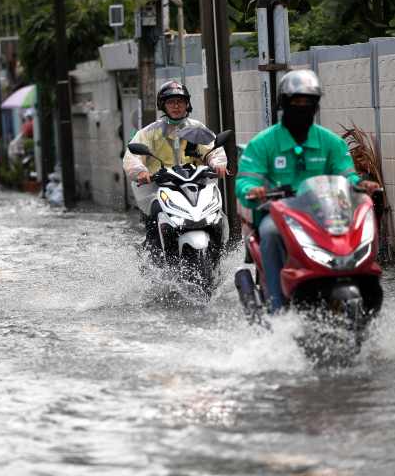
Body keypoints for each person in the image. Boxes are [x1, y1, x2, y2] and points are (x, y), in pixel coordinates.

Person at [236, 69, 380, 313]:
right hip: (278, 213)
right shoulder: (262, 144)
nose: (302, 107)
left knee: (356, 230)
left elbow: (347, 175)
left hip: (325, 211)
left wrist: (360, 184)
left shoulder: (331, 142)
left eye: (308, 102)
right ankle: (277, 305)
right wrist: (254, 190)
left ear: (316, 105)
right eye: (296, 102)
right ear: (283, 103)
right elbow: (245, 182)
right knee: (270, 233)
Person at [122, 80, 228, 248]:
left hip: (196, 185)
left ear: (187, 104)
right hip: (160, 188)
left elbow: (213, 150)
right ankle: (154, 256)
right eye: (171, 102)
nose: (176, 106)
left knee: (216, 213)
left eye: (180, 101)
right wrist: (140, 171)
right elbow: (132, 156)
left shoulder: (197, 129)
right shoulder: (149, 132)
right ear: (163, 105)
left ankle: (219, 250)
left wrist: (218, 163)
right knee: (156, 212)